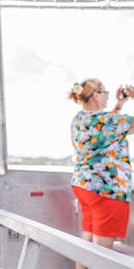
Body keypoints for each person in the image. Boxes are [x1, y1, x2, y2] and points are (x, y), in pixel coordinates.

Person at [69, 79, 134, 269]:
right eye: (105, 92)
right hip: (106, 191)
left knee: (87, 243)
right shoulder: (106, 121)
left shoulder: (80, 118)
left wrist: (119, 104)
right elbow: (109, 125)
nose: (107, 95)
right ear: (96, 95)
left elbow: (105, 128)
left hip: (84, 187)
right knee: (101, 257)